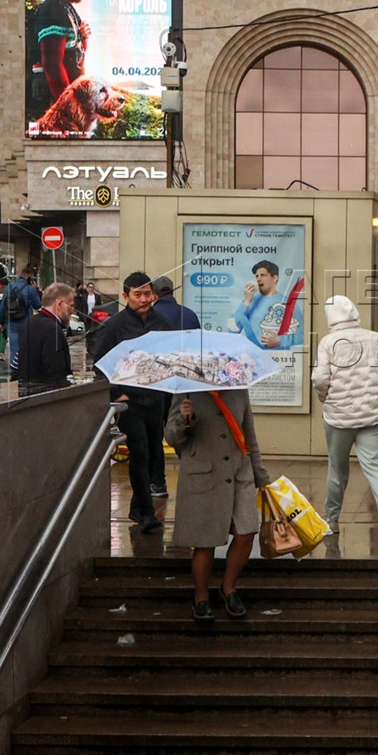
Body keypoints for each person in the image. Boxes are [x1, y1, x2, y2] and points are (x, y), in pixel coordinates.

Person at [165, 389, 272, 622]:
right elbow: (171, 437)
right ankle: (201, 597)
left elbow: (248, 434)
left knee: (246, 532)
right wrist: (185, 419)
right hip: (204, 474)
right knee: (205, 541)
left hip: (239, 473)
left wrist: (261, 476)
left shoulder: (238, 388)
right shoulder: (186, 390)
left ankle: (228, 587)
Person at [90, 271, 173, 533]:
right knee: (139, 452)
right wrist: (115, 393)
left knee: (153, 453)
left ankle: (137, 507)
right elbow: (99, 363)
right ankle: (146, 512)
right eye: (137, 294)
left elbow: (171, 357)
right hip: (129, 402)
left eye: (147, 293)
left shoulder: (162, 323)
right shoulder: (115, 326)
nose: (143, 299)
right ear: (126, 296)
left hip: (155, 397)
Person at [312, 295, 378, 531]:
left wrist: (324, 397)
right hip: (372, 415)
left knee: (337, 468)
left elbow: (320, 379)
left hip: (338, 418)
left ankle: (332, 519)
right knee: (375, 464)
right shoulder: (374, 338)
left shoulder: (329, 342)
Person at [28, 0, 91, 119]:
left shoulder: (67, 9)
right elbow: (52, 65)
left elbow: (75, 57)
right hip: (53, 105)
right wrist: (71, 110)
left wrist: (83, 38)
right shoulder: (53, 8)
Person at [232, 260, 305, 349]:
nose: (258, 279)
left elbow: (303, 334)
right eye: (257, 276)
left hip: (281, 359)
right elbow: (232, 330)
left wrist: (281, 340)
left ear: (274, 278)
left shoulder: (288, 303)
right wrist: (246, 301)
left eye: (263, 275)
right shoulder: (249, 302)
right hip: (255, 359)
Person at [16, 282, 75, 391]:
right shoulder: (52, 329)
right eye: (70, 306)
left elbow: (16, 363)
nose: (72, 311)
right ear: (59, 305)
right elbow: (56, 371)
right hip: (45, 395)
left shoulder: (30, 322)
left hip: (27, 391)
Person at [5, 273, 41, 371]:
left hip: (12, 321)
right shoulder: (30, 289)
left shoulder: (9, 288)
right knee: (26, 345)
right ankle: (25, 368)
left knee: (14, 346)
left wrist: (1, 322)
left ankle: (14, 370)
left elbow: (2, 307)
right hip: (26, 320)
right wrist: (36, 290)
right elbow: (37, 305)